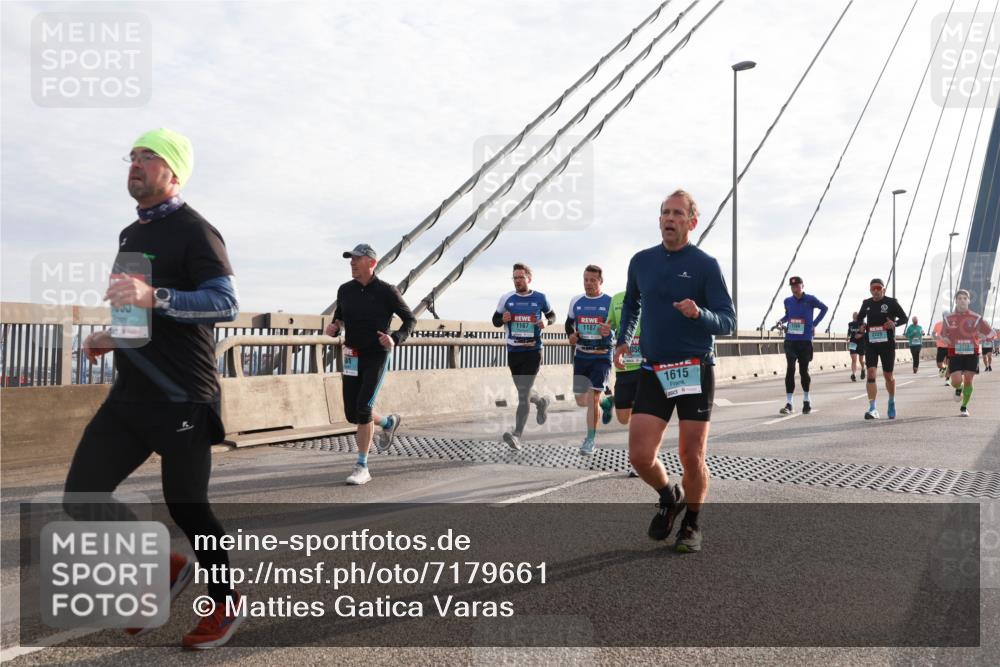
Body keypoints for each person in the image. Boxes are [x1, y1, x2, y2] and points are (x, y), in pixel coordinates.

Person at [66, 128, 243, 648]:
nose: (136, 163)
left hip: (183, 392)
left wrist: (155, 296)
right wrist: (110, 336)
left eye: (150, 156)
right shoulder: (130, 235)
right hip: (131, 392)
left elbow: (225, 303)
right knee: (82, 495)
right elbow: (134, 313)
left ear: (174, 172)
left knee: (187, 506)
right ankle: (162, 568)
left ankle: (225, 603)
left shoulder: (196, 231)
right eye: (133, 156)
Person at [615, 189, 735, 554]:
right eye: (665, 212)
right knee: (639, 456)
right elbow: (632, 303)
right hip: (653, 369)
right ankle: (670, 495)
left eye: (677, 213)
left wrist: (699, 313)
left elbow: (727, 321)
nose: (669, 218)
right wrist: (623, 340)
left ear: (692, 222)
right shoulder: (641, 261)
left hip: (695, 369)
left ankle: (692, 522)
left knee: (691, 455)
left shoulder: (705, 265)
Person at [325, 244, 416, 484]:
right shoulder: (345, 290)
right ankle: (388, 422)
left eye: (357, 259)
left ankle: (362, 466)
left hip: (376, 355)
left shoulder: (387, 291)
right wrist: (334, 328)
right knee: (352, 414)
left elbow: (410, 319)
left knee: (364, 408)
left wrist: (395, 338)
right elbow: (339, 317)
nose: (352, 263)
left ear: (371, 263)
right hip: (352, 355)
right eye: (351, 259)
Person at [492, 263, 556, 450]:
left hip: (533, 351)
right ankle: (541, 402)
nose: (517, 281)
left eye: (520, 277)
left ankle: (516, 435)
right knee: (524, 391)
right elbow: (495, 320)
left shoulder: (540, 298)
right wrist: (502, 319)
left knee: (522, 394)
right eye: (515, 278)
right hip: (514, 352)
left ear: (529, 278)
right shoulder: (506, 298)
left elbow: (552, 316)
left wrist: (546, 322)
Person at [566, 265, 614, 455]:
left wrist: (610, 331)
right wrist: (571, 335)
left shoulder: (609, 302)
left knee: (593, 397)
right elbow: (569, 324)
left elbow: (619, 327)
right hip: (581, 355)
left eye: (593, 280)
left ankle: (590, 440)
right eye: (586, 280)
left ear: (601, 281)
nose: (588, 283)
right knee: (581, 400)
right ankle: (606, 403)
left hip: (601, 356)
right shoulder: (576, 301)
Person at [775, 276, 827, 414]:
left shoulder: (810, 299)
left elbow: (824, 308)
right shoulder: (787, 301)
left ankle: (806, 399)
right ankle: (789, 403)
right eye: (792, 286)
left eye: (797, 286)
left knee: (803, 371)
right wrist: (781, 321)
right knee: (790, 369)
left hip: (805, 340)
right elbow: (788, 316)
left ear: (802, 286)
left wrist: (814, 324)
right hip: (790, 340)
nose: (795, 288)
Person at [857, 278, 908, 420]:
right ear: (870, 290)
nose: (875, 291)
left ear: (883, 290)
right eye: (873, 288)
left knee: (888, 376)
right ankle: (873, 408)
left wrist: (894, 323)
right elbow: (860, 318)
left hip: (887, 345)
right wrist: (861, 325)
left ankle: (891, 401)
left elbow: (904, 318)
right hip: (871, 344)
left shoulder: (891, 302)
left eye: (878, 288)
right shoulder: (866, 303)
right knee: (871, 373)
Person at [939, 289, 994, 416]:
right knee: (956, 381)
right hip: (955, 353)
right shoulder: (948, 318)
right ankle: (959, 388)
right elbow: (942, 334)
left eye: (965, 298)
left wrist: (985, 337)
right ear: (955, 301)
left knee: (969, 380)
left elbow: (992, 333)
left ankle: (964, 407)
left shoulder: (976, 318)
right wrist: (944, 338)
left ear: (968, 301)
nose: (962, 301)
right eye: (959, 298)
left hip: (972, 353)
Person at [606, 289, 643, 477]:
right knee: (623, 418)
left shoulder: (653, 295)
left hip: (645, 367)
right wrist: (606, 329)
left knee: (639, 417)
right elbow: (610, 324)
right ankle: (610, 400)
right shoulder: (617, 299)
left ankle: (639, 460)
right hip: (624, 367)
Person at [847, 312, 866, 382]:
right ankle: (853, 374)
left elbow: (866, 333)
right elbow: (849, 332)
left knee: (861, 360)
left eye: (856, 315)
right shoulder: (850, 324)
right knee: (854, 359)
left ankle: (863, 368)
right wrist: (848, 337)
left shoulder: (863, 323)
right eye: (854, 315)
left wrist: (861, 335)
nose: (855, 316)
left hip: (861, 343)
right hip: (853, 342)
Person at [932, 312, 950, 381]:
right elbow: (933, 334)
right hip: (941, 347)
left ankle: (947, 379)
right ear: (943, 316)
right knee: (939, 364)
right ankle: (944, 368)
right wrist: (936, 337)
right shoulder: (938, 324)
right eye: (945, 316)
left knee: (949, 363)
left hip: (950, 347)